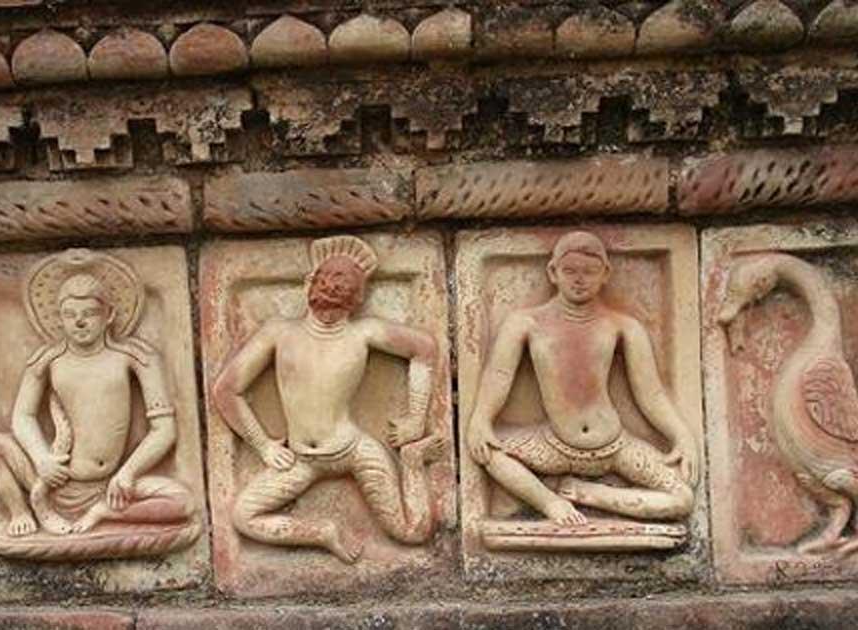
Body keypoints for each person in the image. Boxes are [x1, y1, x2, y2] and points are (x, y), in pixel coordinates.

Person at [212, 236, 445, 564]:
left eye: (343, 279)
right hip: (300, 459)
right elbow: (226, 390)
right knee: (242, 516)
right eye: (327, 276)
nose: (332, 285)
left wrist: (417, 418)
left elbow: (424, 348)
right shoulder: (279, 333)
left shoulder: (363, 333)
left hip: (353, 449)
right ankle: (322, 532)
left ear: (358, 296)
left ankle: (412, 461)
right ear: (309, 282)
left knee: (414, 531)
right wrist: (262, 445)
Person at [465, 231, 697, 526]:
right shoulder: (526, 323)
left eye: (589, 272)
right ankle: (550, 501)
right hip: (554, 446)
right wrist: (481, 419)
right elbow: (498, 376)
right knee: (489, 454)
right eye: (570, 271)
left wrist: (682, 435)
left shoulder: (623, 326)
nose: (579, 279)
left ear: (605, 274)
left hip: (615, 447)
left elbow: (651, 394)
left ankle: (591, 495)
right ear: (553, 272)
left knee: (682, 499)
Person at [0, 264, 194, 539]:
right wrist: (42, 459)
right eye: (70, 315)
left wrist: (128, 473)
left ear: (109, 315)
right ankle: (22, 511)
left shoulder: (137, 358)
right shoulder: (46, 361)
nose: (80, 322)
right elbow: (23, 416)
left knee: (184, 502)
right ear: (59, 318)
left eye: (90, 313)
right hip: (56, 483)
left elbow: (164, 429)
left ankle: (103, 513)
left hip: (113, 486)